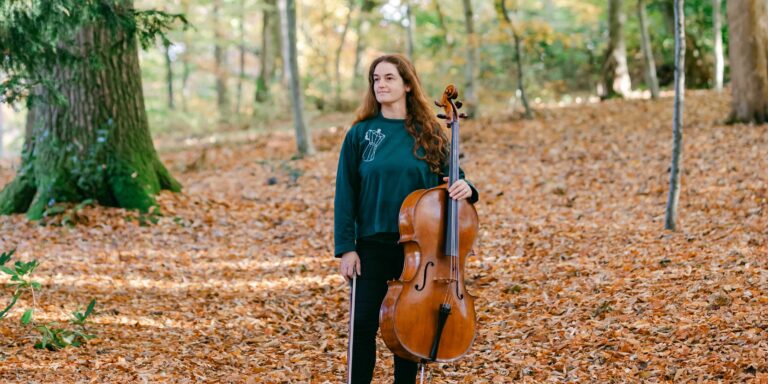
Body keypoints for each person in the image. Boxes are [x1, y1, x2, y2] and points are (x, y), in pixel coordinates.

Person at [334, 53, 479, 384]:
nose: (381, 84)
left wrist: (467, 187)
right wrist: (346, 248)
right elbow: (345, 193)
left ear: (408, 85)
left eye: (389, 78)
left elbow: (453, 182)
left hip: (420, 250)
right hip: (370, 243)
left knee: (411, 329)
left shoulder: (429, 132)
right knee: (362, 327)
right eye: (376, 79)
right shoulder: (360, 134)